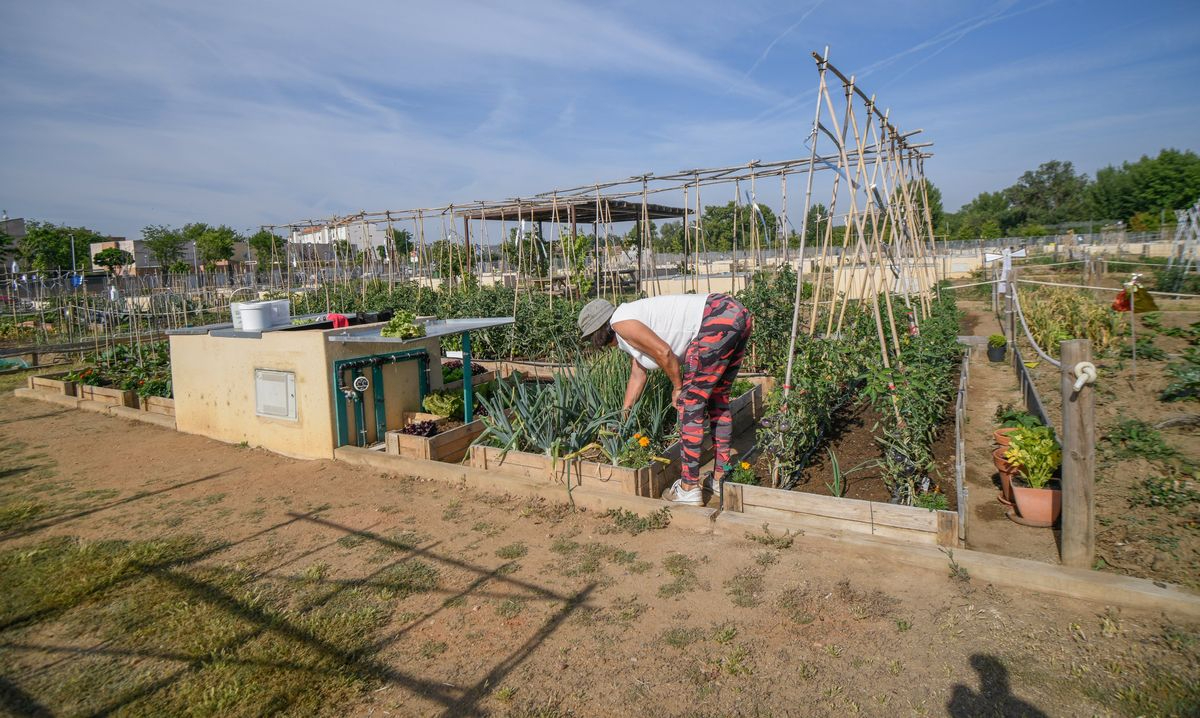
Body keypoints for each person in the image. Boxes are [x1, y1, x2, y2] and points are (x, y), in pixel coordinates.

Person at [577, 293, 752, 505]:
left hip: (714, 319)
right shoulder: (631, 321)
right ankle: (719, 478)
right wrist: (623, 415)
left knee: (689, 406)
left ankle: (688, 488)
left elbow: (665, 353)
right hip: (733, 313)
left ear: (599, 331)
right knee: (718, 400)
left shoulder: (621, 322)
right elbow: (638, 373)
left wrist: (678, 388)